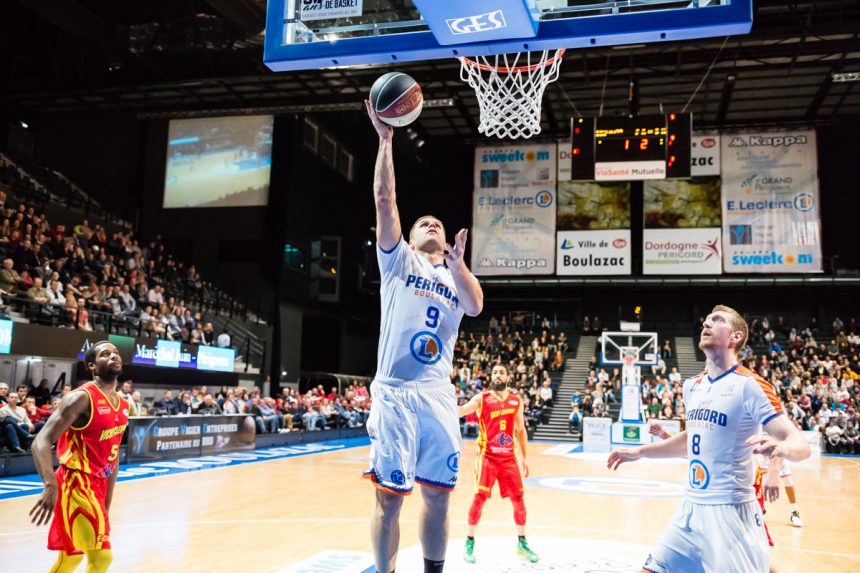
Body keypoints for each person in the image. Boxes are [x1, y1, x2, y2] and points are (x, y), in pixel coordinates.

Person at [364, 100, 483, 573]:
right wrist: (386, 141)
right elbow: (384, 201)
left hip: (436, 393)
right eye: (422, 223)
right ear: (410, 239)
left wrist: (459, 266)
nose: (431, 222)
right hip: (395, 392)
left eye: (437, 222)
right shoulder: (398, 261)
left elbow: (475, 305)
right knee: (389, 499)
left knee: (438, 494)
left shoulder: (457, 276)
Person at [607, 305, 811, 573]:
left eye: (716, 320)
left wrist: (781, 447)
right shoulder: (693, 386)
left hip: (730, 512)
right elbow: (692, 439)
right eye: (705, 320)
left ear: (735, 337)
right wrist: (641, 452)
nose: (706, 323)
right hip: (689, 509)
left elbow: (800, 443)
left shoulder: (750, 385)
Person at [29, 341, 129, 573]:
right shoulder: (81, 398)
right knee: (102, 558)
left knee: (71, 558)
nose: (114, 356)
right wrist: (49, 483)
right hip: (76, 483)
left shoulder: (123, 405)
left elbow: (112, 458)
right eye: (106, 354)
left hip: (98, 484)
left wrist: (107, 498)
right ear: (92, 365)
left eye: (116, 353)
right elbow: (40, 440)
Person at [458, 364, 538, 564]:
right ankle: (469, 542)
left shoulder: (516, 401)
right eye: (494, 372)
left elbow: (520, 430)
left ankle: (522, 543)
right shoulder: (482, 399)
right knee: (479, 498)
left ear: (508, 377)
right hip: (487, 456)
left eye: (502, 372)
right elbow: (461, 410)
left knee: (519, 499)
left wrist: (525, 457)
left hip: (509, 458)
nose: (498, 375)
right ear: (490, 377)